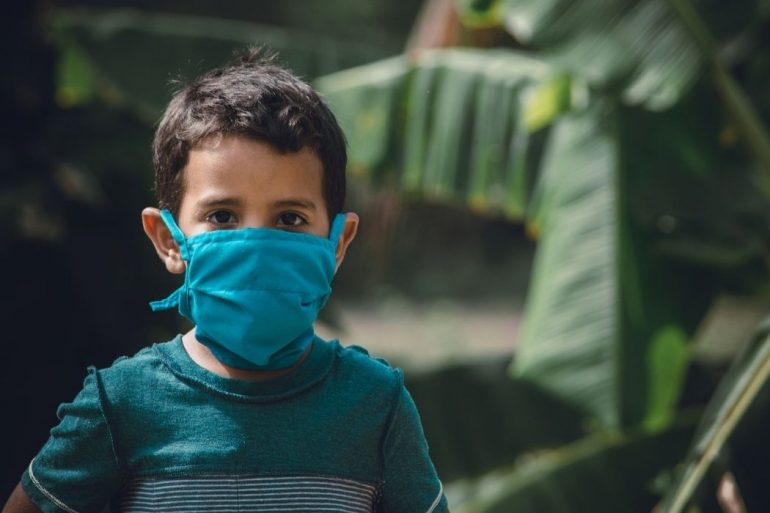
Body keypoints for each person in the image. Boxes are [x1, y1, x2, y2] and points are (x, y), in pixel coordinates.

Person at [2, 49, 448, 513]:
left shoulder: (376, 406)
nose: (255, 246)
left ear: (338, 243)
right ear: (168, 240)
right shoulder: (122, 404)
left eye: (290, 218)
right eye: (222, 215)